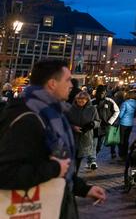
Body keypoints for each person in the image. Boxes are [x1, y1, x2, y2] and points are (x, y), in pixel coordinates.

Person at [0, 59, 106, 219]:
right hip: (36, 209)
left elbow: (60, 163)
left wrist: (83, 189)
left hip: (58, 204)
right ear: (52, 84)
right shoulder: (28, 118)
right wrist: (54, 168)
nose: (72, 85)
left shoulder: (53, 113)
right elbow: (5, 173)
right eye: (68, 80)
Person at [66, 91, 99, 172]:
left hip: (85, 138)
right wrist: (73, 127)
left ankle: (73, 177)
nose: (81, 101)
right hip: (72, 138)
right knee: (71, 161)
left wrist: (92, 124)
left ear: (87, 100)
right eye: (79, 99)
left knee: (78, 160)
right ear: (76, 99)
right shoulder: (70, 109)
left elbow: (98, 121)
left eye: (83, 99)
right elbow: (64, 122)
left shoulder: (92, 109)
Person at [91, 85, 119, 165]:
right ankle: (92, 161)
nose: (101, 94)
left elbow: (117, 111)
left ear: (105, 93)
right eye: (100, 92)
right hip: (94, 127)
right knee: (94, 144)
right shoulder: (92, 102)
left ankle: (94, 157)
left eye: (103, 93)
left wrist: (110, 121)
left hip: (104, 127)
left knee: (99, 145)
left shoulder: (109, 101)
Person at [117, 90, 136, 159]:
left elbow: (120, 115)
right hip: (130, 123)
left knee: (121, 139)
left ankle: (121, 154)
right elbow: (135, 114)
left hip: (123, 123)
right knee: (126, 139)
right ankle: (125, 153)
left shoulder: (125, 103)